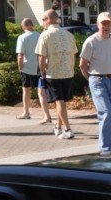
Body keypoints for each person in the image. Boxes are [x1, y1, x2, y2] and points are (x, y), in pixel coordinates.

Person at [80, 11, 111, 155]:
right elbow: (82, 64)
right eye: (103, 23)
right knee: (106, 113)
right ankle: (106, 149)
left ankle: (106, 143)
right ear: (97, 25)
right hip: (97, 80)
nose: (106, 26)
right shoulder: (91, 41)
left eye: (108, 23)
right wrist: (91, 80)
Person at [36, 9, 78, 140]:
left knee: (59, 101)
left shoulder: (45, 35)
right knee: (62, 102)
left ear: (49, 19)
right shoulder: (68, 34)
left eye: (43, 19)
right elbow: (74, 53)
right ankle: (58, 127)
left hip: (53, 73)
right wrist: (71, 67)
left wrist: (42, 71)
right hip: (68, 72)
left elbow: (41, 57)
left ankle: (68, 129)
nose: (42, 22)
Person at [15, 18, 52, 123]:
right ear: (32, 25)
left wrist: (20, 67)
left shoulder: (22, 37)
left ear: (23, 26)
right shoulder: (40, 36)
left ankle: (26, 112)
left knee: (26, 90)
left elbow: (20, 55)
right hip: (39, 68)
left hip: (27, 68)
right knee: (41, 92)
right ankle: (46, 114)